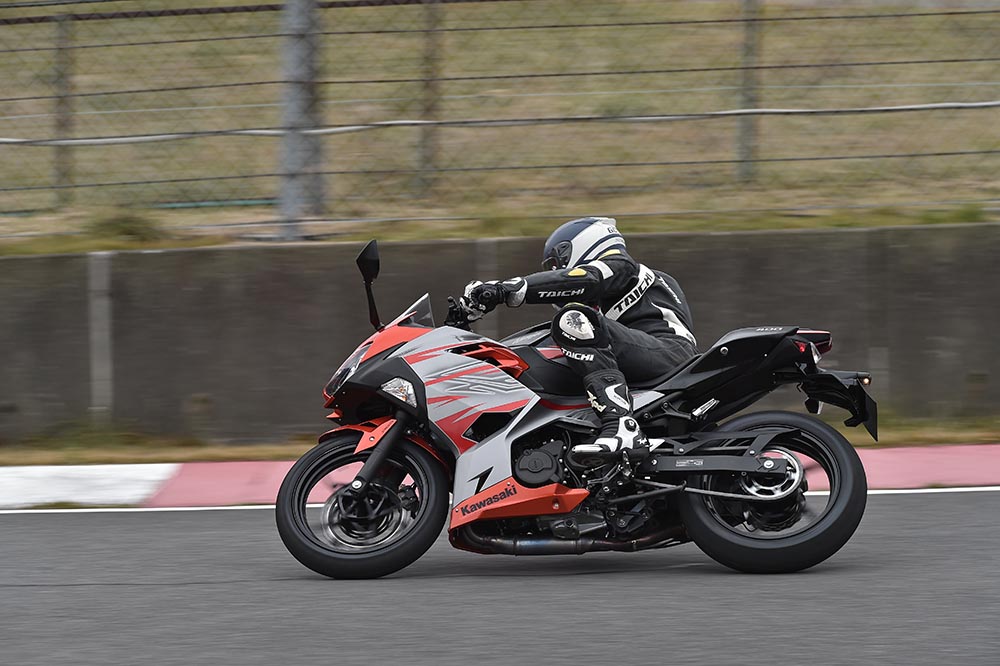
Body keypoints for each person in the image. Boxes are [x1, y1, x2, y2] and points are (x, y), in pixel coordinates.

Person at [463, 216, 697, 456]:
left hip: (669, 351)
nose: (556, 271)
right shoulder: (607, 298)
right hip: (648, 354)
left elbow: (587, 279)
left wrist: (509, 289)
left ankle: (620, 425)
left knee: (572, 319)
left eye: (557, 263)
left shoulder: (622, 266)